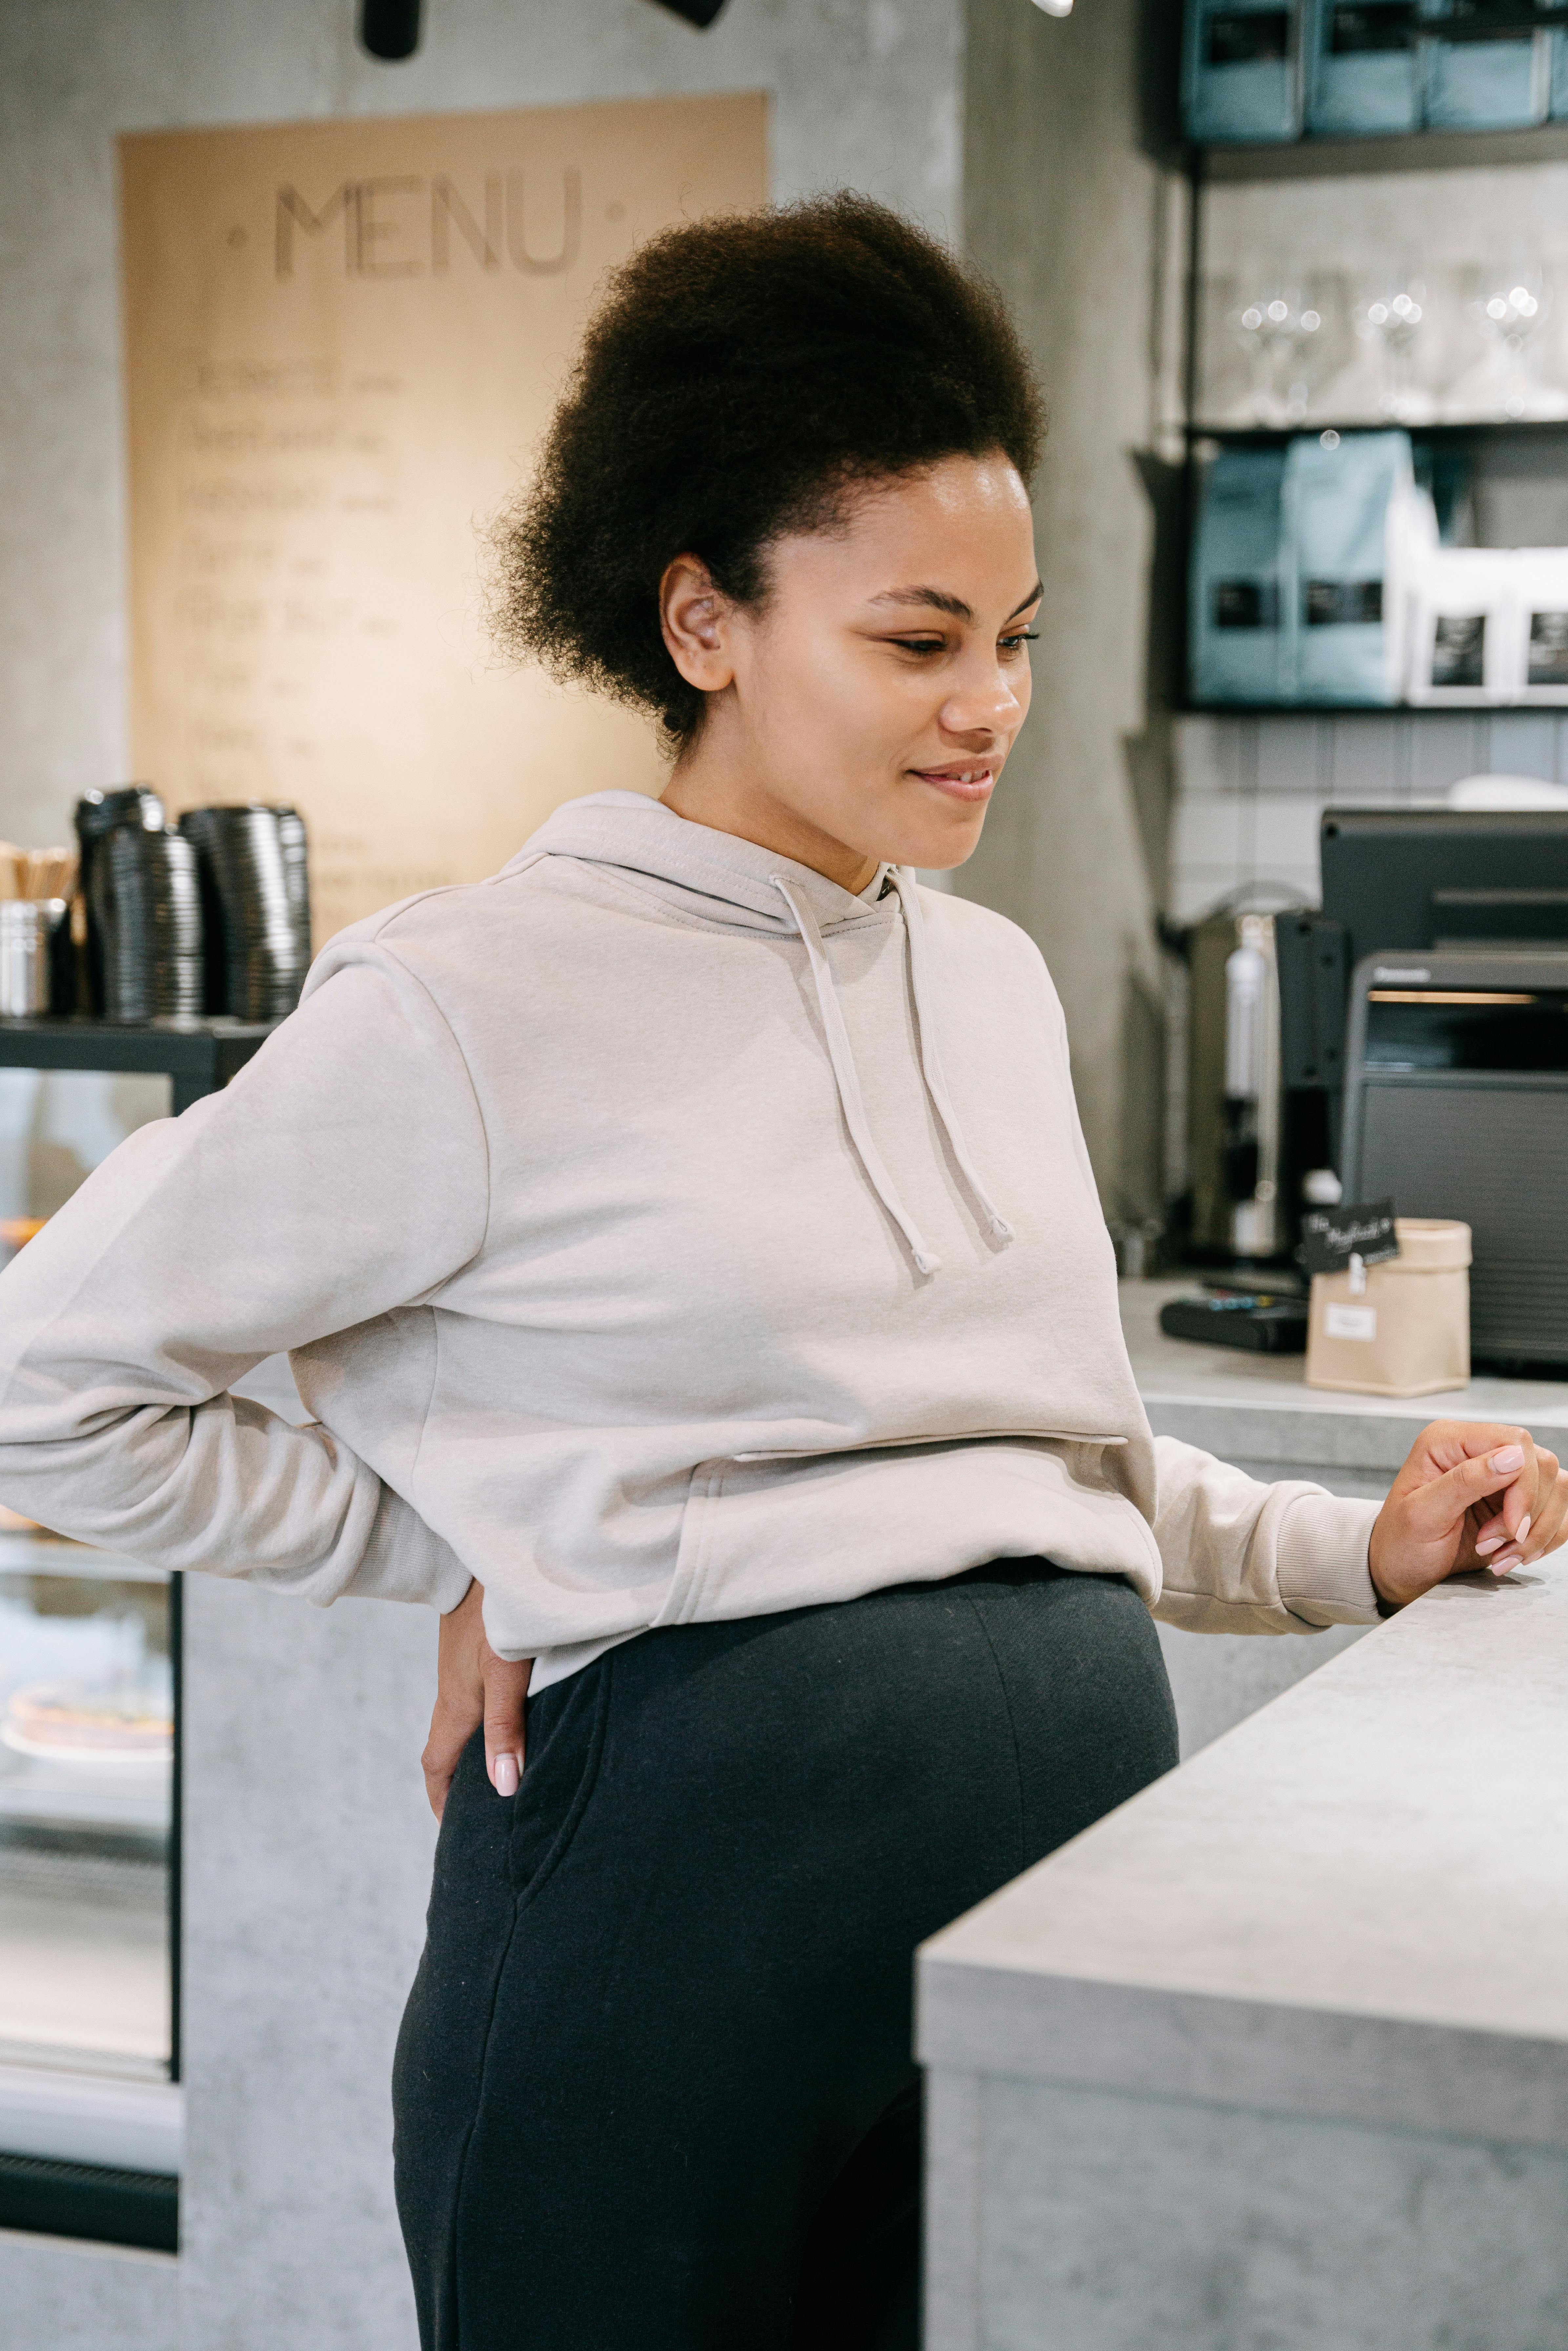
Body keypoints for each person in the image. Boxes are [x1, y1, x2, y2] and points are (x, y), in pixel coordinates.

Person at [0, 195, 1561, 2351]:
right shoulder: (469, 1001)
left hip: (1042, 1913)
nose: (992, 705)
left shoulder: (996, 985)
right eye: (919, 643)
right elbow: (44, 1382)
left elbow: (1049, 1463)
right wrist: (475, 1546)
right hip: (660, 1969)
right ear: (704, 620)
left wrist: (1346, 1549)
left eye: (1019, 635)